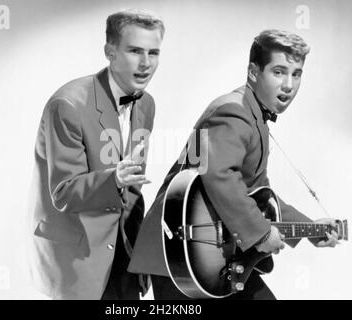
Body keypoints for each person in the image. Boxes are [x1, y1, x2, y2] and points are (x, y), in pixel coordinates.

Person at [128, 29, 340, 300]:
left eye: (296, 74)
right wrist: (262, 235)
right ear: (254, 72)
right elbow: (220, 176)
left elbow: (258, 194)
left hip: (212, 252)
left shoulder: (254, 116)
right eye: (278, 72)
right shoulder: (235, 112)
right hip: (181, 249)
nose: (289, 84)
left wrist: (312, 228)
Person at [27, 9, 164, 300]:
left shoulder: (147, 104)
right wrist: (114, 179)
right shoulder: (67, 105)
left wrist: (141, 253)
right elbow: (64, 192)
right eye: (135, 51)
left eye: (153, 53)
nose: (146, 63)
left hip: (124, 256)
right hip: (79, 257)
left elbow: (133, 188)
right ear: (110, 52)